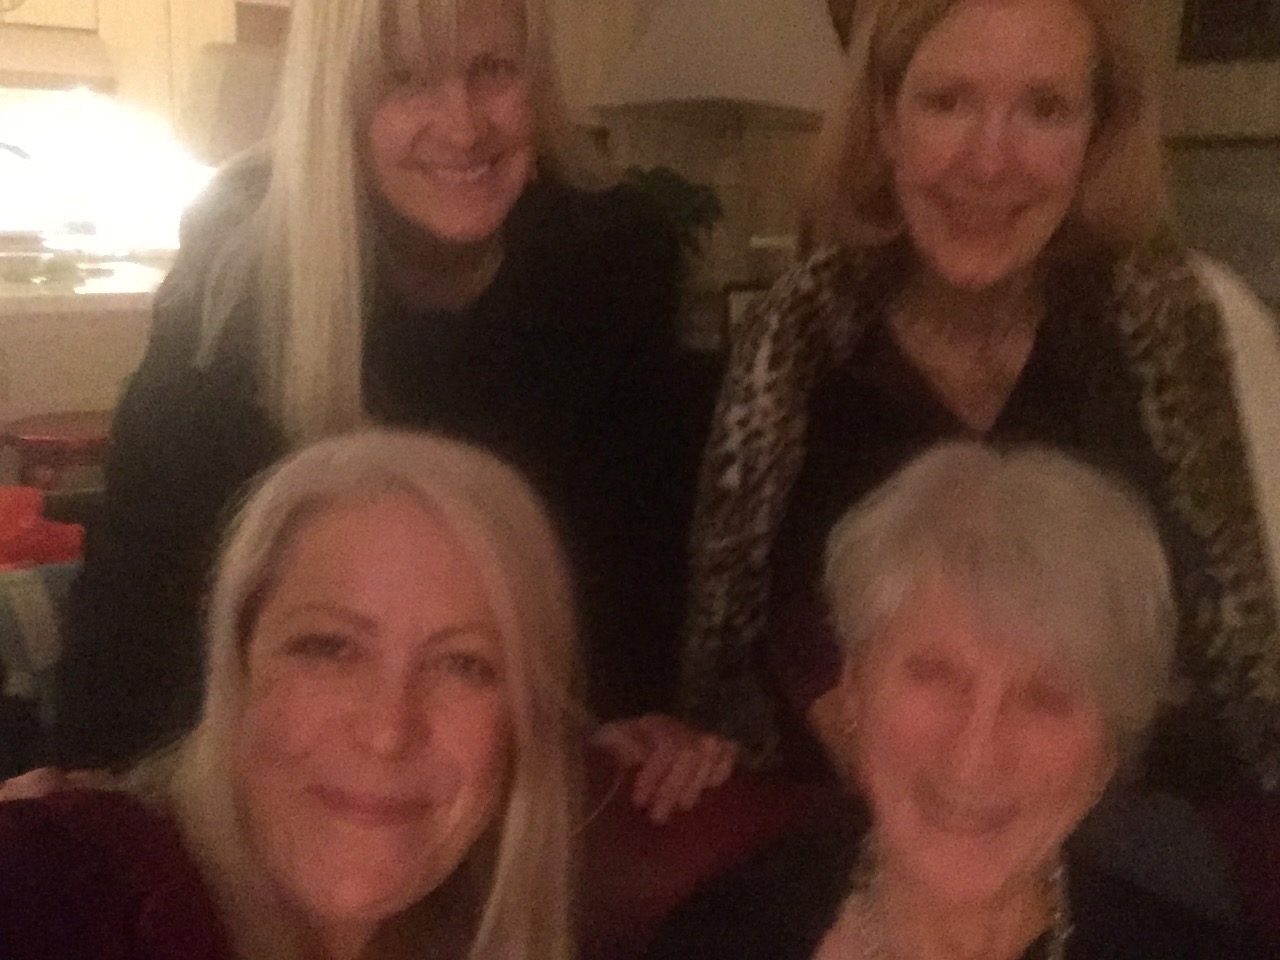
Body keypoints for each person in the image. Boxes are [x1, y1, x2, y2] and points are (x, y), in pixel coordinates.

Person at [55, 0, 691, 769]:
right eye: (406, 80)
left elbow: (632, 565)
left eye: (494, 70)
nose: (463, 126)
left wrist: (622, 725)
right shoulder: (237, 267)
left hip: (517, 747)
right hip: (270, 750)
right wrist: (96, 786)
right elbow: (145, 574)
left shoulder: (616, 263)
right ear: (338, 101)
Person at [678, 0, 1280, 791]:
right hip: (854, 826)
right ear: (886, 121)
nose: (990, 161)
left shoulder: (1198, 330)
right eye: (948, 101)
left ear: (1096, 135)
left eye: (1045, 108)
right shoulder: (793, 341)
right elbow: (736, 666)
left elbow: (1255, 697)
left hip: (1142, 830)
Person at [0, 429, 736, 959]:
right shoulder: (59, 886)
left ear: (521, 721)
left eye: (464, 665)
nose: (388, 731)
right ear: (237, 662)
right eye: (329, 648)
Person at [644, 443, 1276, 960]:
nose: (976, 754)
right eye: (935, 674)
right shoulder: (718, 940)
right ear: (856, 690)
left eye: (1045, 698)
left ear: (1108, 751)